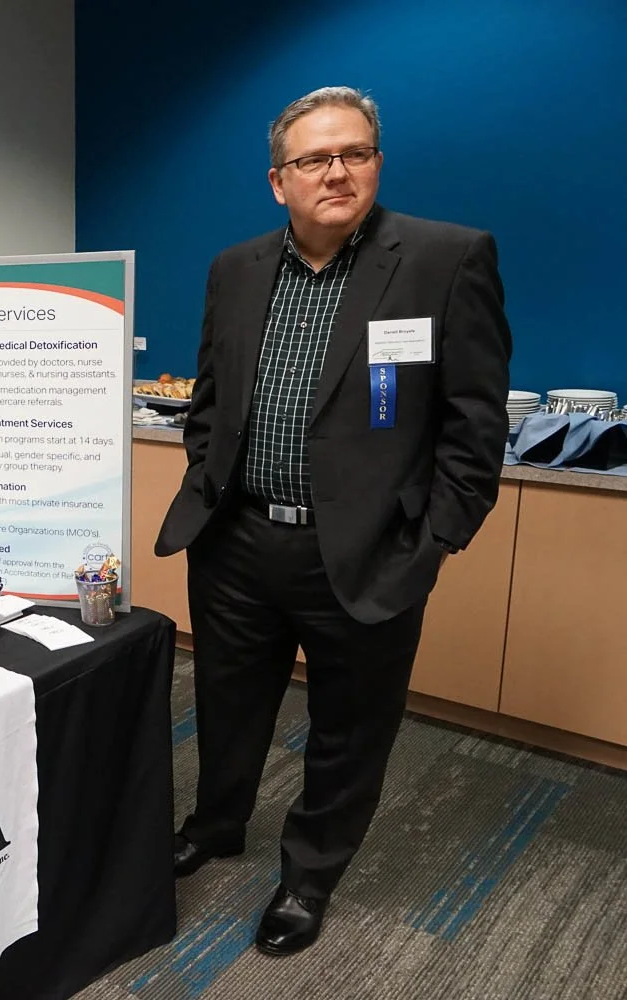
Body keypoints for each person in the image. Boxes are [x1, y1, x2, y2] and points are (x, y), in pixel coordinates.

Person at [154, 86, 511, 957]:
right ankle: (218, 823)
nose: (337, 172)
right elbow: (210, 398)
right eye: (314, 159)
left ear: (376, 164)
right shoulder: (236, 268)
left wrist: (434, 539)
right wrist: (207, 476)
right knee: (227, 702)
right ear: (279, 181)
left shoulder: (444, 259)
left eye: (354, 153)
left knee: (351, 729)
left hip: (366, 551)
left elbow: (475, 422)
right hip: (237, 542)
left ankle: (309, 876)